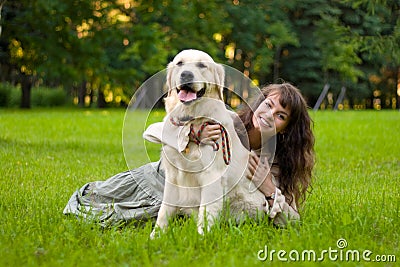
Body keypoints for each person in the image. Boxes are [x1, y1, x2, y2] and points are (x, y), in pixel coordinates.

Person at [63, 83, 315, 227]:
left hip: (191, 202)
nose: (270, 114)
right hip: (160, 177)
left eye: (281, 115)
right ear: (259, 103)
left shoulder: (275, 163)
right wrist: (193, 135)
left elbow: (293, 222)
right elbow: (155, 130)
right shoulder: (225, 120)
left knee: (129, 219)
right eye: (268, 104)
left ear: (286, 130)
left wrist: (269, 189)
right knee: (90, 201)